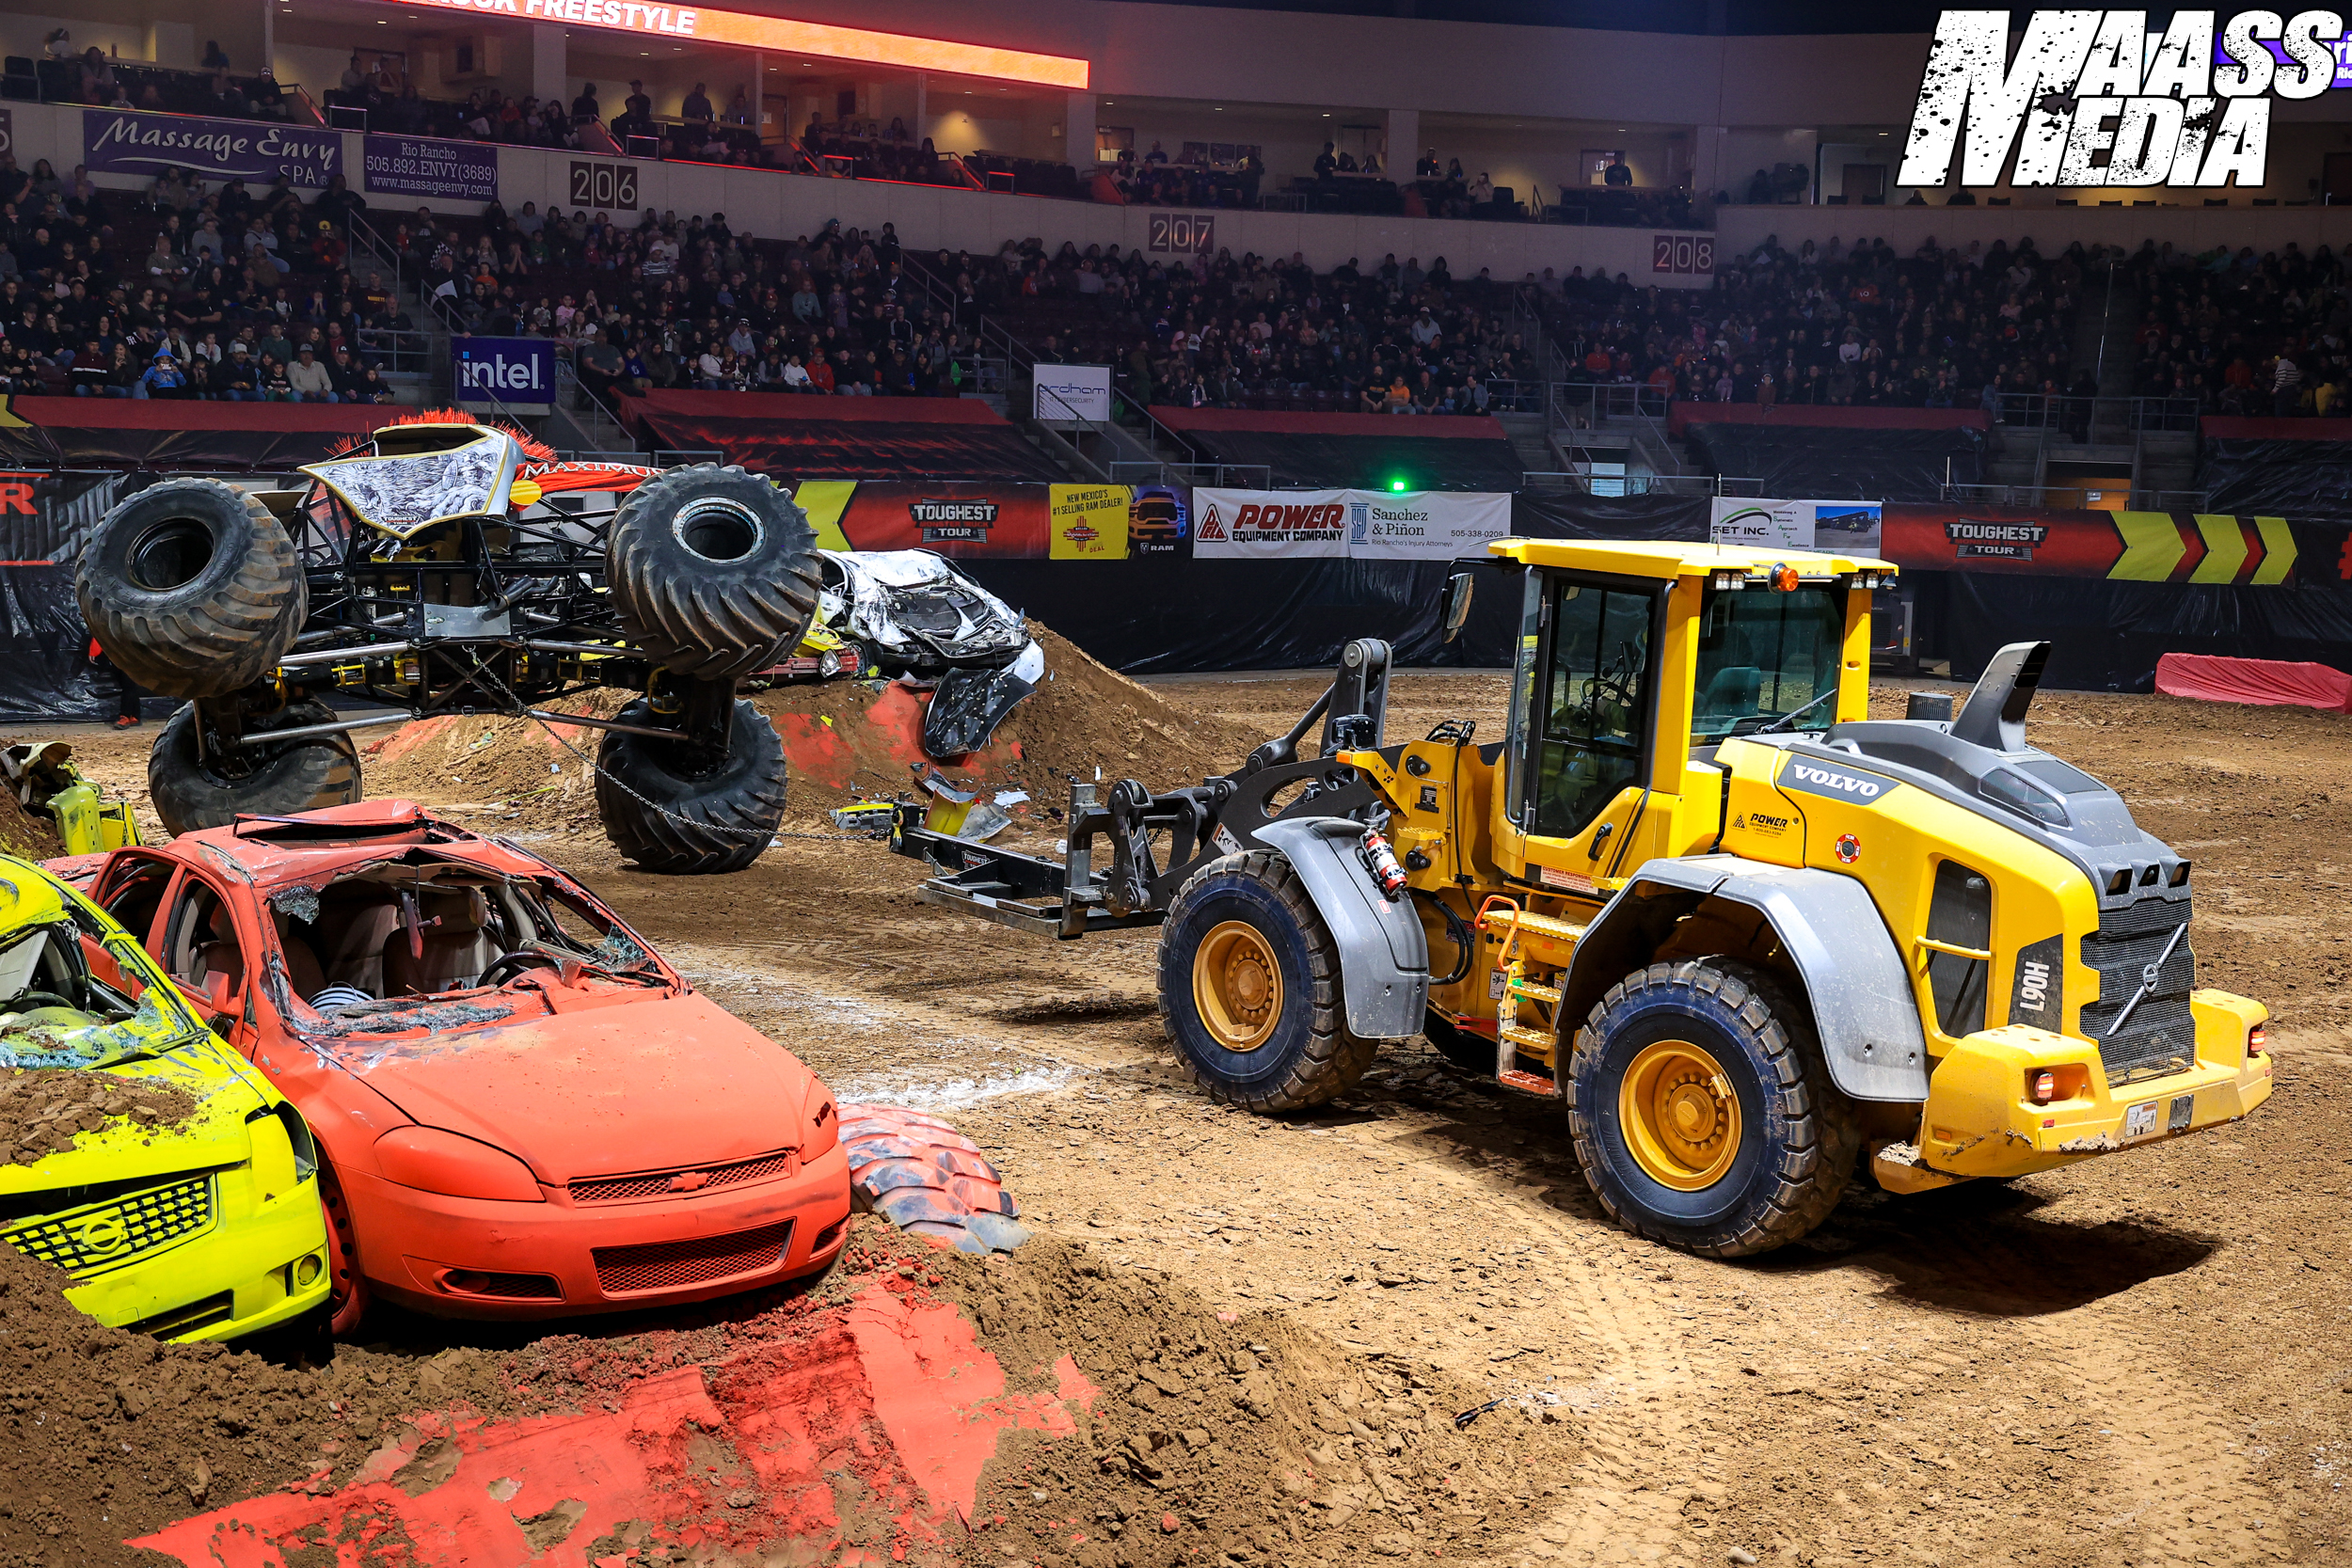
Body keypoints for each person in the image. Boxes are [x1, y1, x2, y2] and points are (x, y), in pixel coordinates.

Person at [88, 640, 142, 728]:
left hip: (126, 652)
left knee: (128, 684)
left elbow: (102, 633)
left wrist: (94, 650)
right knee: (129, 684)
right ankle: (134, 716)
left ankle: (126, 716)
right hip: (128, 651)